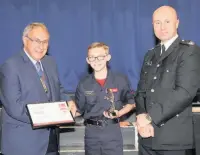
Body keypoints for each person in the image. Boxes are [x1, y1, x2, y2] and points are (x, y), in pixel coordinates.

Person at [0, 22, 75, 155]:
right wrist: (47, 117)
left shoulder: (50, 62)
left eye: (45, 42)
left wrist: (68, 101)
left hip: (51, 140)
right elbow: (14, 107)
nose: (41, 46)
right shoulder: (10, 66)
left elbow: (58, 88)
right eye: (37, 41)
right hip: (24, 144)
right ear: (25, 40)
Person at [135, 5, 200, 155]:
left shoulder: (189, 51)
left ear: (177, 23)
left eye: (167, 22)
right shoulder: (150, 55)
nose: (162, 27)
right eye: (157, 23)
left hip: (174, 140)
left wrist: (150, 117)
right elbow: (141, 92)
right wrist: (141, 117)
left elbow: (184, 93)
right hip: (147, 137)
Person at [74, 42, 135, 155]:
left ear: (108, 57)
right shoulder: (83, 83)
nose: (96, 60)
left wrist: (119, 113)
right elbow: (78, 109)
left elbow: (131, 102)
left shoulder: (120, 79)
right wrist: (62, 113)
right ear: (88, 60)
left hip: (112, 132)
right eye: (92, 57)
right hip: (91, 134)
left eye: (100, 57)